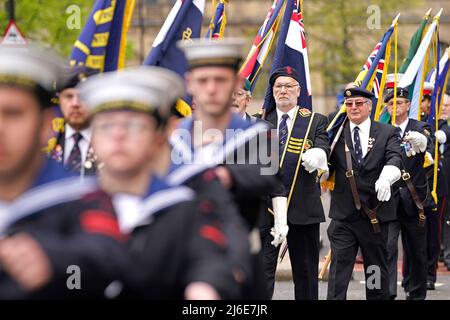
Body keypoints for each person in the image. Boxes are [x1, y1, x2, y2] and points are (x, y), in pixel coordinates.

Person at [79, 66, 240, 299]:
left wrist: (204, 287)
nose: (119, 136)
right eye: (106, 126)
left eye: (134, 125)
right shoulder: (68, 208)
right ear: (92, 140)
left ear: (158, 138)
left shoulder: (184, 209)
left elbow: (208, 259)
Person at [0, 46, 128, 299]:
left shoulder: (80, 196)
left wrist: (52, 259)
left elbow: (107, 255)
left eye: (13, 114)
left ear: (46, 124)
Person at [174, 38, 286, 299]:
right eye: (203, 81)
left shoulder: (258, 133)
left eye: (220, 80)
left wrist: (223, 175)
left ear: (235, 85)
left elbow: (269, 174)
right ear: (190, 84)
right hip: (183, 253)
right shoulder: (174, 138)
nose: (212, 89)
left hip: (242, 251)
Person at [259, 66, 330, 300]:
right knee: (261, 273)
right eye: (278, 86)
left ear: (298, 90)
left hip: (303, 207)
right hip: (267, 210)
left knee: (306, 272)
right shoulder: (260, 122)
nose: (283, 91)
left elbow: (323, 147)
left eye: (288, 86)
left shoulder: (314, 121)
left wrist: (318, 155)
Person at [327, 87, 402, 300]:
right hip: (344, 216)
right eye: (349, 104)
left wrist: (388, 176)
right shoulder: (336, 132)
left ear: (369, 106)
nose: (353, 108)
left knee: (375, 271)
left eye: (359, 103)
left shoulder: (387, 132)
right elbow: (325, 155)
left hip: (375, 217)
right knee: (339, 273)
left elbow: (395, 157)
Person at [384, 87, 433, 300]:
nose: (395, 107)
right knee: (384, 250)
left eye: (399, 103)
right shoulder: (381, 128)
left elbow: (427, 144)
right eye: (390, 104)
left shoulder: (419, 127)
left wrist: (423, 144)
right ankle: (384, 293)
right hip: (386, 200)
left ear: (407, 105)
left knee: (416, 252)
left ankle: (417, 294)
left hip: (414, 200)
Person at [45, 66, 99, 176]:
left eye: (83, 97)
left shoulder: (112, 141)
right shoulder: (45, 140)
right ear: (59, 100)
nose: (75, 103)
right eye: (69, 96)